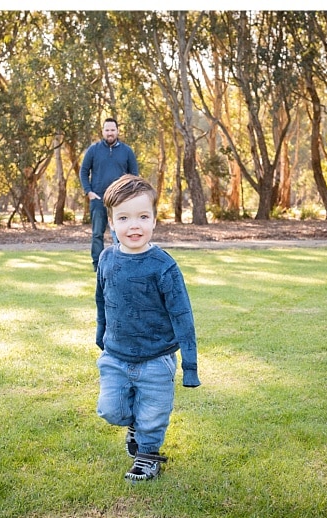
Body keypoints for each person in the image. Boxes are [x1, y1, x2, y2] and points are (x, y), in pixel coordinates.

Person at [94, 174, 201, 482]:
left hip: (157, 358)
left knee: (153, 416)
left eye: (143, 216)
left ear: (155, 221)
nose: (134, 225)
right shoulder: (106, 259)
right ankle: (136, 426)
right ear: (112, 223)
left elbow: (183, 315)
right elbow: (102, 299)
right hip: (115, 354)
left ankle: (147, 456)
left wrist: (190, 366)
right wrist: (100, 333)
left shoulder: (163, 266)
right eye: (124, 218)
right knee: (109, 410)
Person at [80, 118, 140, 271]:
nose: (110, 133)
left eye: (112, 130)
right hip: (98, 199)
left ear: (117, 131)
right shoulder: (94, 150)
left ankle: (121, 263)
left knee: (119, 233)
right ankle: (98, 265)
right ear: (103, 131)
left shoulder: (127, 151)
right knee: (97, 234)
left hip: (119, 201)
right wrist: (89, 192)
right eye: (107, 130)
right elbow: (84, 171)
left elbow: (134, 175)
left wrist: (129, 195)